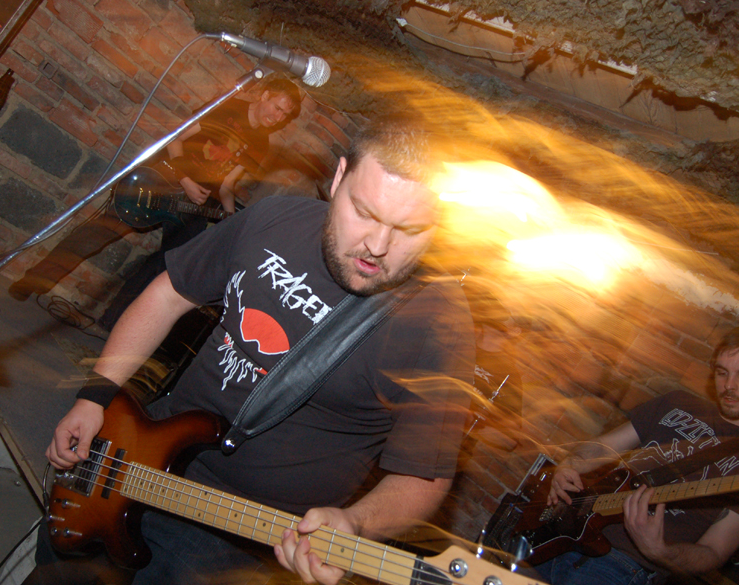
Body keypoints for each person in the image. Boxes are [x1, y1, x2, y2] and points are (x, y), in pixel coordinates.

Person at [31, 117, 475, 585]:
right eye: (364, 212)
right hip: (138, 454)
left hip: (238, 537)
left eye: (409, 229)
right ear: (339, 177)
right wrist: (96, 396)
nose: (377, 246)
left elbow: (423, 476)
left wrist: (357, 523)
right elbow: (169, 295)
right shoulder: (275, 219)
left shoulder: (436, 322)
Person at [7, 77, 302, 306]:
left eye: (285, 115)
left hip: (193, 204)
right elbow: (175, 138)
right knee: (97, 234)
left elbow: (227, 186)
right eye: (277, 107)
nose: (278, 117)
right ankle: (32, 281)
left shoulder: (261, 144)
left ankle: (116, 321)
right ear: (264, 95)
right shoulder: (227, 107)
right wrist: (185, 179)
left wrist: (229, 218)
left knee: (171, 268)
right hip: (163, 178)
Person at [536, 324, 739, 585]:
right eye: (722, 372)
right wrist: (569, 464)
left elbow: (714, 551)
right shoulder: (678, 402)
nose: (729, 385)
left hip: (621, 568)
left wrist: (661, 551)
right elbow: (602, 447)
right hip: (559, 537)